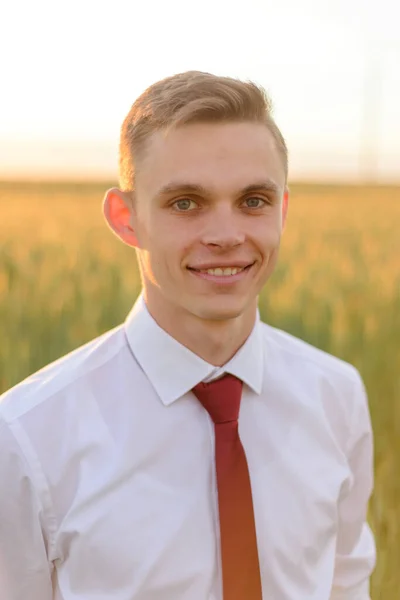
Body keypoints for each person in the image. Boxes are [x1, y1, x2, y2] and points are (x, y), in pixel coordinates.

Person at [0, 71, 376, 600]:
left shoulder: (337, 395)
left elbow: (345, 583)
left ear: (283, 210)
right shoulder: (26, 437)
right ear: (126, 218)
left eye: (253, 200)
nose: (226, 235)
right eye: (185, 203)